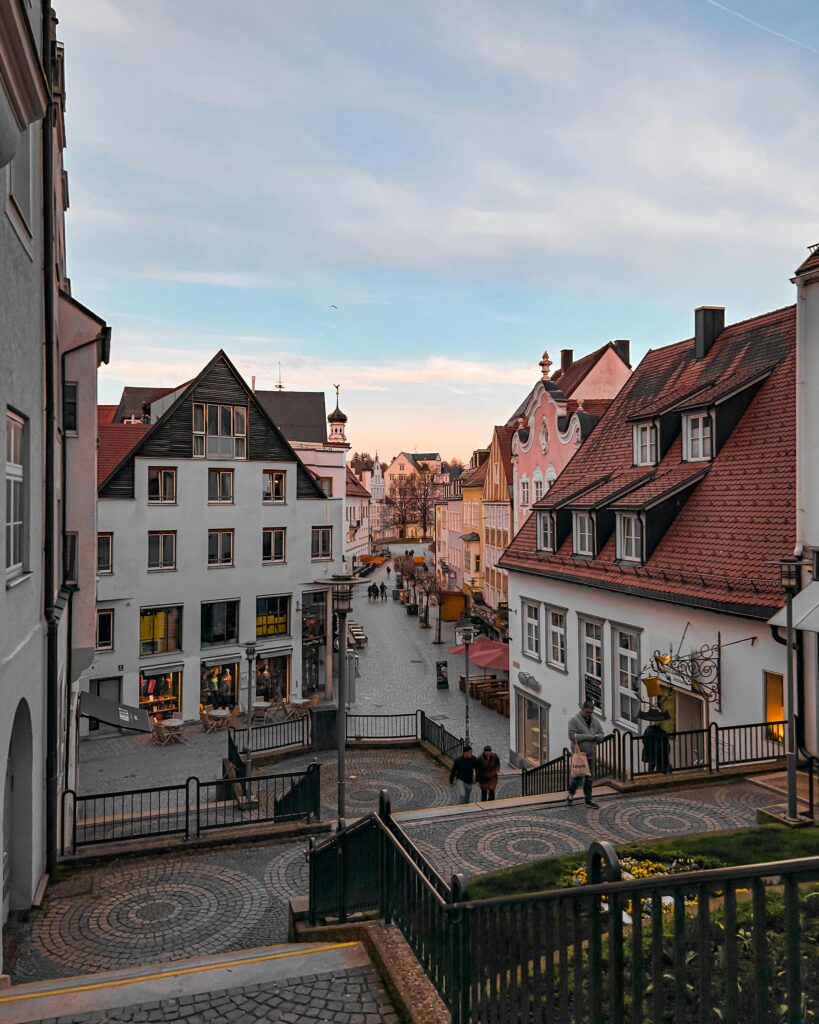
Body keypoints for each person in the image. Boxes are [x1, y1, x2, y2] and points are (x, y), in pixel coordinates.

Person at [567, 699, 606, 808]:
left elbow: (601, 733)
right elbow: (572, 736)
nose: (589, 714)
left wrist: (599, 737)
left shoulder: (595, 721)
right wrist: (590, 737)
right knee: (578, 778)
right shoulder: (574, 720)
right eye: (587, 712)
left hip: (591, 754)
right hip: (580, 755)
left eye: (591, 712)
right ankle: (571, 792)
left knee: (589, 778)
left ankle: (588, 799)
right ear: (583, 709)